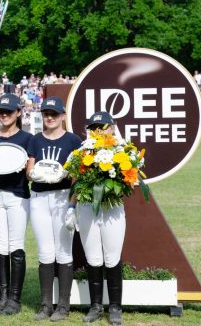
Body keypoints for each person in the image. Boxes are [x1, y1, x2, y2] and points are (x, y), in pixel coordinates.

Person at [26, 96, 82, 321]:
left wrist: (72, 205)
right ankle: (46, 304)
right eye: (46, 114)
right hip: (39, 197)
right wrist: (35, 173)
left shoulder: (73, 141)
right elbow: (29, 170)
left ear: (62, 116)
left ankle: (63, 306)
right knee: (45, 251)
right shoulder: (35, 140)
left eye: (54, 114)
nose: (49, 118)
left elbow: (78, 177)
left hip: (62, 197)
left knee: (63, 251)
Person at [0, 94, 33, 315]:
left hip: (18, 195)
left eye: (9, 111)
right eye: (1, 111)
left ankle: (15, 299)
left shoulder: (27, 139)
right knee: (0, 245)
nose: (4, 115)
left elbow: (30, 172)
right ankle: (2, 298)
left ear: (18, 113)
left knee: (16, 245)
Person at [77, 111, 125, 325]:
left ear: (112, 127)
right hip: (88, 207)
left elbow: (127, 182)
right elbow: (75, 178)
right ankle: (96, 306)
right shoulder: (82, 150)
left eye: (103, 126)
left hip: (112, 208)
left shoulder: (122, 150)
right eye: (94, 127)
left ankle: (115, 306)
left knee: (112, 257)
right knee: (93, 257)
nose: (98, 131)